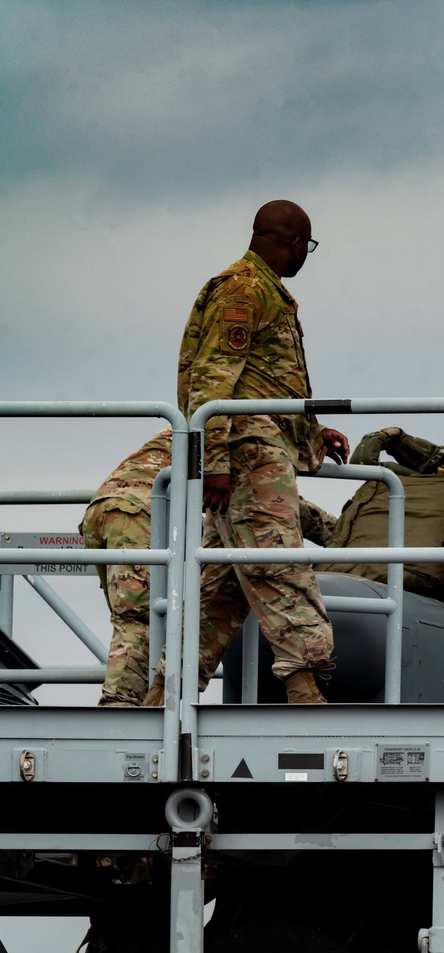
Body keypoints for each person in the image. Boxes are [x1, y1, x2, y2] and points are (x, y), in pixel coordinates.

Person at [147, 199, 349, 706]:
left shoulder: (261, 291)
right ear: (296, 243)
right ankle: (306, 687)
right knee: (281, 568)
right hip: (248, 459)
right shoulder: (244, 289)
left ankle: (164, 697)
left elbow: (263, 381)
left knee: (224, 587)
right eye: (309, 246)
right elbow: (212, 383)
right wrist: (212, 464)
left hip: (253, 450)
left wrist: (311, 432)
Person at [80, 429, 341, 706]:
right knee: (142, 618)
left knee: (149, 614)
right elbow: (269, 503)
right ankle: (120, 711)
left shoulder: (209, 424)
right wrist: (343, 535)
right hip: (142, 511)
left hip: (108, 509)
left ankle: (152, 703)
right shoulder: (241, 434)